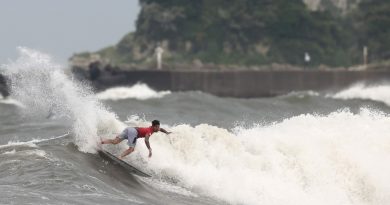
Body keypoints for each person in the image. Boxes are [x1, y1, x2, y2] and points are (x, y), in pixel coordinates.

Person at [101, 120, 171, 159]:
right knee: (131, 149)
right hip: (134, 132)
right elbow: (146, 140)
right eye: (157, 127)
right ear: (154, 126)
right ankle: (120, 157)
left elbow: (161, 129)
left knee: (115, 141)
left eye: (159, 127)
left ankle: (101, 141)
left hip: (129, 129)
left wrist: (167, 132)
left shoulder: (153, 128)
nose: (158, 128)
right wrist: (149, 149)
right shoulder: (149, 131)